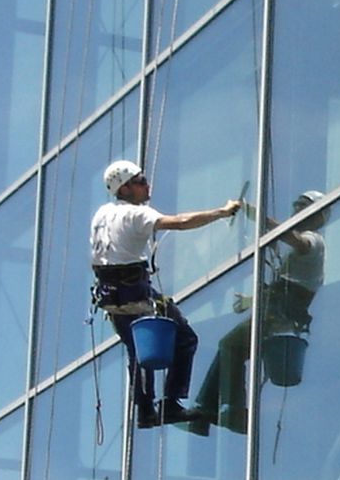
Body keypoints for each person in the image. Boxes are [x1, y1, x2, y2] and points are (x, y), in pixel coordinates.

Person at [93, 159, 243, 429]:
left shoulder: (102, 214)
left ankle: (146, 410)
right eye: (140, 181)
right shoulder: (135, 215)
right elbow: (181, 222)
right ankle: (171, 403)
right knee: (184, 338)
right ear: (125, 190)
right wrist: (222, 212)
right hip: (135, 297)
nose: (147, 184)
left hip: (113, 300)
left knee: (137, 351)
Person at [186, 191, 326, 436]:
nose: (296, 210)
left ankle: (227, 410)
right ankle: (206, 412)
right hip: (276, 312)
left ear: (318, 216)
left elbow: (296, 243)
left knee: (230, 345)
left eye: (302, 206)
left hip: (279, 315)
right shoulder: (297, 253)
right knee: (230, 346)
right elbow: (282, 289)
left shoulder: (313, 241)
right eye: (296, 205)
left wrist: (255, 215)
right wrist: (251, 301)